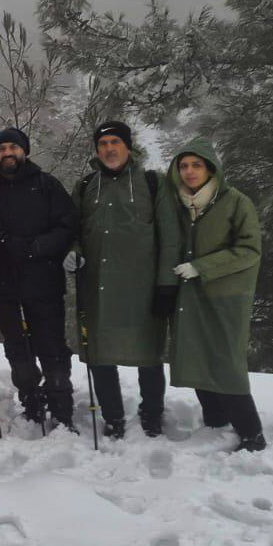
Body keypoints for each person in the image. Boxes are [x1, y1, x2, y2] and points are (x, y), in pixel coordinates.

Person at [0, 127, 81, 431]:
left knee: (51, 345)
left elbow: (68, 225)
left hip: (44, 282)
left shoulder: (46, 185)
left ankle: (61, 404)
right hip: (2, 285)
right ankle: (30, 400)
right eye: (1, 149)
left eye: (13, 148)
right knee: (17, 348)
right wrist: (1, 241)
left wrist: (40, 246)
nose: (7, 153)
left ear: (24, 151)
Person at [155, 138, 266, 451]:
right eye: (184, 166)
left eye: (196, 165)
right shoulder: (177, 204)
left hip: (224, 298)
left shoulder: (235, 202)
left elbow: (249, 250)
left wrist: (201, 266)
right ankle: (216, 424)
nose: (189, 171)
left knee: (227, 365)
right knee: (198, 361)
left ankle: (251, 434)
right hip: (189, 298)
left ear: (210, 168)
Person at [67, 121, 167, 439]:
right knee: (100, 355)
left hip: (143, 287)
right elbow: (73, 230)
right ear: (96, 151)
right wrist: (72, 251)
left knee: (149, 355)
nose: (109, 149)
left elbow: (171, 236)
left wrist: (166, 283)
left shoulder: (153, 183)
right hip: (98, 286)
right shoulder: (85, 186)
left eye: (115, 142)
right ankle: (113, 417)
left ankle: (152, 416)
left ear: (128, 146)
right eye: (103, 144)